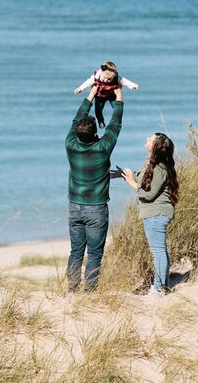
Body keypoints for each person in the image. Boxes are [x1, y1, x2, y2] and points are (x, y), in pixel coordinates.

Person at [64, 83, 123, 292]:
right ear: (95, 134)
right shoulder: (103, 148)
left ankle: (72, 290)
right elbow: (115, 124)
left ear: (78, 133)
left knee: (76, 251)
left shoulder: (70, 144)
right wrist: (118, 98)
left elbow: (76, 119)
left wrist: (91, 94)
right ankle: (89, 293)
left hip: (75, 206)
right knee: (95, 254)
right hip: (97, 208)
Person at [118, 132, 180, 296]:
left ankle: (159, 288)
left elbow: (148, 194)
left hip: (157, 213)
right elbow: (144, 179)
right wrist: (129, 176)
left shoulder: (160, 168)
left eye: (150, 139)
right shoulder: (153, 164)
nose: (146, 139)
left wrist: (132, 183)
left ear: (155, 146)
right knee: (160, 251)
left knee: (158, 251)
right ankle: (161, 285)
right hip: (154, 213)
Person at [73, 61, 139, 128]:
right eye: (104, 78)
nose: (106, 80)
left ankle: (116, 119)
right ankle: (100, 121)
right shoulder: (96, 77)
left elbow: (124, 81)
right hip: (99, 95)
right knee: (98, 109)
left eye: (109, 79)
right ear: (101, 72)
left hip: (111, 94)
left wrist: (132, 85)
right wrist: (80, 89)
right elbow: (87, 82)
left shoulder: (116, 78)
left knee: (117, 107)